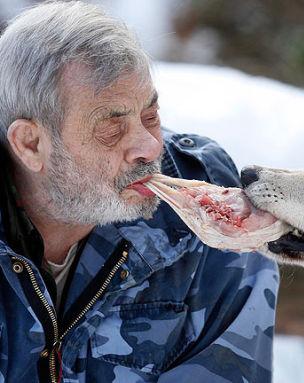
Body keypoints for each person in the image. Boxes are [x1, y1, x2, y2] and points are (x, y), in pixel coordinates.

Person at [0, 1, 278, 382]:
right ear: (30, 144)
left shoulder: (202, 208)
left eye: (151, 116)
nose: (149, 147)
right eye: (111, 129)